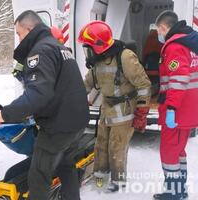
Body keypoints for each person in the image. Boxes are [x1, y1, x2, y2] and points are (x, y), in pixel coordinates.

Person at [0, 10, 89, 200]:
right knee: (66, 166)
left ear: (29, 29)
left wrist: (4, 114)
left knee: (38, 176)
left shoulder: (40, 51)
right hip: (76, 122)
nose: (19, 39)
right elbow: (59, 88)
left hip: (58, 127)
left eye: (19, 33)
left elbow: (38, 95)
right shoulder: (59, 47)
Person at [78, 20, 151, 192]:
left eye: (88, 45)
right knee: (101, 144)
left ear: (99, 44)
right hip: (107, 110)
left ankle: (118, 182)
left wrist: (141, 112)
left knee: (116, 147)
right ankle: (100, 177)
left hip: (124, 111)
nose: (87, 50)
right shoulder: (98, 60)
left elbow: (144, 84)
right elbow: (87, 84)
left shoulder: (125, 57)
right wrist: (75, 98)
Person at [154, 10, 198, 200]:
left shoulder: (174, 46)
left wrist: (171, 109)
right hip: (188, 110)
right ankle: (179, 190)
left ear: (163, 27)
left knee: (168, 152)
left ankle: (173, 193)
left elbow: (178, 80)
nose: (159, 34)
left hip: (177, 111)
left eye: (158, 30)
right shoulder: (190, 44)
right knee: (178, 151)